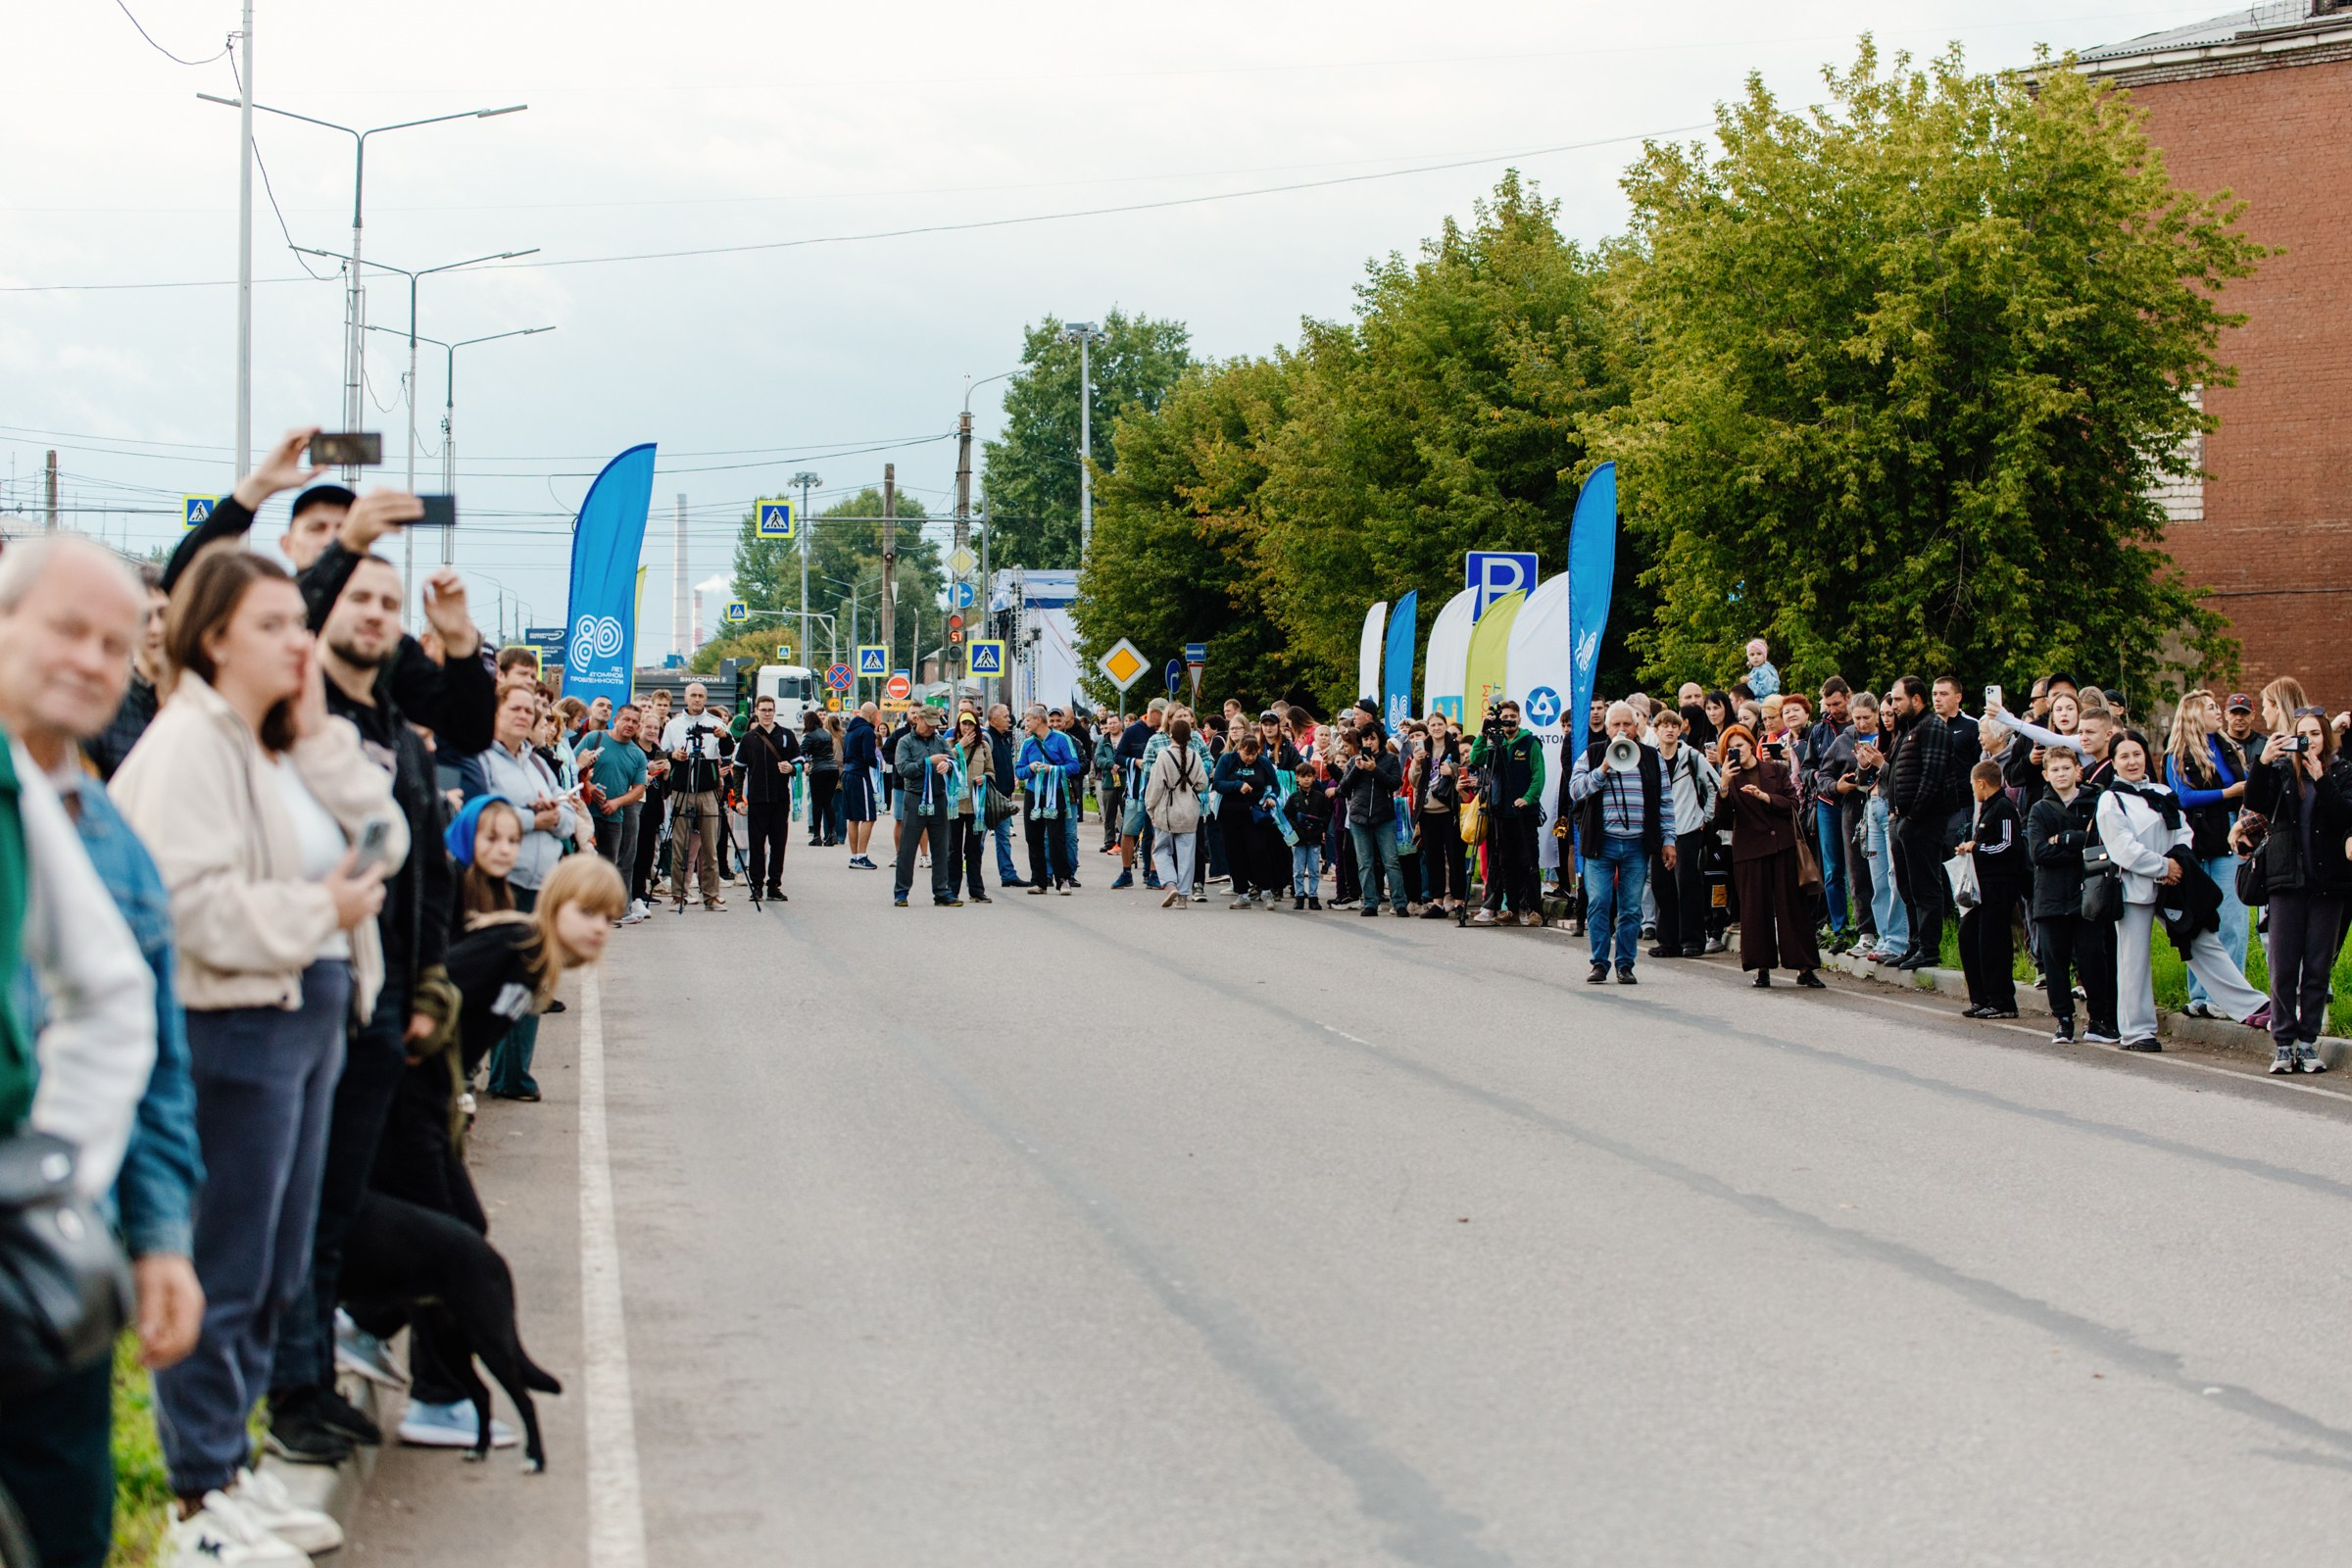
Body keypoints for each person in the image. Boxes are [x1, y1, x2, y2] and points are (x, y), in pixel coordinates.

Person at [111, 550, 402, 1551]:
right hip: (234, 1020)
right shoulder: (189, 744)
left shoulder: (275, 742)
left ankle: (229, 1467)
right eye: (276, 624)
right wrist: (319, 905)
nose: (300, 642)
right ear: (214, 635)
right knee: (227, 1263)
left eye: (300, 624)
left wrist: (317, 728)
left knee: (274, 1262)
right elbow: (185, 910)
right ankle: (199, 1495)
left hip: (305, 1004)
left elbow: (386, 832)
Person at [0, 538, 193, 1568]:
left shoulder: (113, 841)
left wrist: (160, 1240)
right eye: (67, 629)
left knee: (63, 1523)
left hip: (49, 1254)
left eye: (116, 644)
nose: (92, 658)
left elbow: (156, 1063)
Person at [265, 552, 455, 1467]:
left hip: (379, 992)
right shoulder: (284, 724)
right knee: (289, 1211)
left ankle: (312, 1380)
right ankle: (287, 1396)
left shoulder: (389, 727)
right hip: (296, 992)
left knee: (329, 1207)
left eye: (389, 601)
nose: (375, 614)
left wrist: (425, 987)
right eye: (356, 597)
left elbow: (412, 864)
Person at [383, 854, 625, 1446]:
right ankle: (429, 1392)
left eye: (610, 919)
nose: (599, 927)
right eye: (587, 912)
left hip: (430, 1106)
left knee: (459, 1233)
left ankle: (401, 1358)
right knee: (456, 1241)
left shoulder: (539, 966)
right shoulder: (517, 945)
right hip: (405, 1102)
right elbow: (435, 992)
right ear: (554, 902)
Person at [2096, 732, 2268, 1053]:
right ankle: (2137, 1031)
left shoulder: (2161, 791)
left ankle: (2252, 1006)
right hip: (2135, 889)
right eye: (2124, 756)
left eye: (2137, 754)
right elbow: (2123, 849)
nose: (2132, 761)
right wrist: (2162, 866)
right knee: (2134, 959)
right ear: (2114, 762)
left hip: (2173, 885)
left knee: (2203, 941)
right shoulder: (2111, 800)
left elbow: (2183, 831)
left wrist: (2176, 862)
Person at [470, 678, 574, 1099]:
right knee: (493, 983)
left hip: (541, 883)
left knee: (531, 982)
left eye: (529, 711)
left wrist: (551, 816)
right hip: (501, 884)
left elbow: (566, 816)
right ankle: (483, 1068)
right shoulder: (483, 761)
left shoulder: (536, 762)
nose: (523, 715)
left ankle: (514, 1074)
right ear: (494, 714)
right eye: (514, 708)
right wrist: (534, 819)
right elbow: (483, 814)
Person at [2243, 706, 2352, 1072]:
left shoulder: (2342, 770)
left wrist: (2322, 779)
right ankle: (2283, 1044)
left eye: (2317, 734)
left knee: (2318, 966)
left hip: (2328, 882)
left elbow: (2345, 818)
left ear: (2327, 736)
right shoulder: (2279, 770)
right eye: (2303, 735)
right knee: (2284, 965)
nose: (2310, 741)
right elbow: (2254, 802)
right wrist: (2263, 761)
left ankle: (2308, 1044)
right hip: (2286, 879)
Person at [1568, 701, 1675, 982]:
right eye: (1616, 724)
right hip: (1601, 845)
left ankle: (1625, 964)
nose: (1622, 729)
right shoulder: (1593, 754)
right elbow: (1576, 790)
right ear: (1607, 727)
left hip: (1637, 845)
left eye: (1627, 724)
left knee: (1630, 908)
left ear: (1637, 726)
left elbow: (1665, 801)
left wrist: (1668, 839)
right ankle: (1600, 963)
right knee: (1599, 902)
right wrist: (1603, 768)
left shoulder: (1651, 757)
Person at [2164, 690, 2252, 1014]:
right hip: (2194, 842)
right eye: (2212, 708)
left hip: (2229, 837)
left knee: (2232, 919)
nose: (2219, 712)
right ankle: (2200, 996)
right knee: (2199, 921)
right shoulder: (2176, 755)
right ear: (2194, 715)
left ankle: (2228, 998)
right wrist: (2228, 791)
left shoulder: (2230, 748)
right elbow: (2183, 796)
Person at [1716, 723, 1824, 988]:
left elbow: (1793, 804)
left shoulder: (1776, 769)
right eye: (1731, 748)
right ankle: (1761, 967)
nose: (1737, 752)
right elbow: (1722, 820)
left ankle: (1804, 967)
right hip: (1750, 850)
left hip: (1782, 846)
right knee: (1755, 910)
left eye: (1740, 746)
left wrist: (1766, 797)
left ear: (1752, 745)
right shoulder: (1730, 778)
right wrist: (1723, 787)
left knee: (1792, 909)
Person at [2027, 748, 2116, 1045]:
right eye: (2055, 770)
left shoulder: (2096, 802)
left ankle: (2099, 1020)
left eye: (2067, 768)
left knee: (2093, 958)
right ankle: (2063, 1020)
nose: (2061, 774)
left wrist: (2066, 839)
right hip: (2050, 897)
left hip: (2088, 894)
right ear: (2046, 774)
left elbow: (2100, 846)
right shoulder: (2040, 809)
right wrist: (2080, 845)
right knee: (2055, 961)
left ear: (2078, 770)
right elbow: (2039, 852)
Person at [1886, 675, 1954, 969]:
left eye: (1899, 699)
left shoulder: (1932, 726)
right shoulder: (1908, 729)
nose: (1893, 705)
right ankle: (1914, 944)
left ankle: (1929, 948)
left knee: (1926, 885)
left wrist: (1913, 815)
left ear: (1916, 699)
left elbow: (1932, 774)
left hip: (1923, 821)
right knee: (1907, 886)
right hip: (1902, 820)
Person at [1953, 760, 2025, 1019]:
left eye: (1973, 786)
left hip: (1998, 885)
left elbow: (2009, 845)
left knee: (1993, 943)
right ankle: (1981, 997)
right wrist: (1971, 845)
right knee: (1969, 937)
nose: (1973, 790)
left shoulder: (2003, 807)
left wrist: (1978, 848)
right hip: (1981, 888)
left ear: (1981, 783)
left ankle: (2002, 1000)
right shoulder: (1988, 809)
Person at [1647, 707, 1720, 958]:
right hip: (1659, 831)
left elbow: (1714, 787)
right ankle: (1667, 941)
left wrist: (1705, 818)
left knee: (1688, 884)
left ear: (1681, 730)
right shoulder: (1649, 757)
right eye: (1664, 726)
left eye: (1674, 726)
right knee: (1661, 885)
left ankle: (1692, 940)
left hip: (1688, 828)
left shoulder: (1692, 757)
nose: (1669, 729)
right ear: (1655, 730)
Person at [1466, 701, 1543, 926]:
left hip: (1524, 813)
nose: (1508, 720)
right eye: (1504, 717)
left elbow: (1538, 775)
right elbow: (1476, 759)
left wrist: (1528, 798)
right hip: (1500, 811)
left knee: (1528, 860)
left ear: (1519, 719)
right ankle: (1511, 909)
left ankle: (1534, 909)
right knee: (1505, 861)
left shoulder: (1530, 743)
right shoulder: (1495, 743)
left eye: (1512, 716)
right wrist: (1482, 733)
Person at [660, 682, 732, 909]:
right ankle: (679, 894)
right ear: (686, 697)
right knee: (680, 845)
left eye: (701, 695)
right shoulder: (674, 725)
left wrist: (723, 736)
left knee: (710, 846)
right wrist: (674, 756)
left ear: (705, 698)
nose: (697, 699)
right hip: (682, 787)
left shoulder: (715, 723)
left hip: (708, 789)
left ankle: (710, 894)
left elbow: (728, 752)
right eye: (693, 695)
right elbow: (662, 753)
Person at [588, 704, 650, 916]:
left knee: (610, 866)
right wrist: (589, 787)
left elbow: (639, 789)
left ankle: (610, 910)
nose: (630, 725)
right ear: (616, 720)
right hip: (587, 814)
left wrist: (617, 802)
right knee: (586, 864)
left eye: (635, 722)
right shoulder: (594, 738)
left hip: (615, 817)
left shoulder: (637, 754)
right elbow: (573, 767)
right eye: (626, 720)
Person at [891, 709, 956, 907]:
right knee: (907, 848)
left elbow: (953, 760)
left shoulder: (939, 741)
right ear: (917, 719)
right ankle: (901, 892)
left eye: (935, 724)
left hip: (938, 799)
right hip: (915, 798)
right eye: (928, 724)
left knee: (941, 848)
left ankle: (942, 892)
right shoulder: (905, 742)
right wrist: (927, 762)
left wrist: (949, 766)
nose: (932, 728)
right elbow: (903, 769)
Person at [737, 695, 799, 903]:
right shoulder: (749, 739)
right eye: (762, 710)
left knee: (778, 844)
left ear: (774, 711)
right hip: (756, 799)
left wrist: (791, 768)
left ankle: (774, 885)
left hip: (780, 799)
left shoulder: (786, 735)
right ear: (756, 711)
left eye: (770, 710)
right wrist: (738, 798)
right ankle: (756, 885)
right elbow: (738, 770)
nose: (766, 713)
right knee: (756, 845)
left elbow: (801, 763)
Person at [1145, 715, 1210, 906]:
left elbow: (1155, 786)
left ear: (1170, 734)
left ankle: (1170, 884)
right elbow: (1203, 783)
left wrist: (1150, 808)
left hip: (1167, 809)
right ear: (1190, 737)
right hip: (1189, 811)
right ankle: (1183, 896)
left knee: (1161, 850)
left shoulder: (1164, 756)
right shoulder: (1195, 756)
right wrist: (1189, 788)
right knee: (1186, 855)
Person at [1017, 709, 1082, 894]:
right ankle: (1038, 880)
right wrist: (1030, 768)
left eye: (1028, 720)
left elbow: (1074, 765)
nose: (1026, 724)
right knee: (1033, 837)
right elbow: (1019, 770)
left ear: (1038, 720)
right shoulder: (1028, 743)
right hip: (1033, 794)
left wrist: (1051, 769)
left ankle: (1063, 879)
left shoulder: (1062, 739)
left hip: (1056, 792)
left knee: (1056, 836)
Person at [1110, 699, 1166, 890]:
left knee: (1156, 832)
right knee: (1129, 831)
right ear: (1153, 712)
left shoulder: (1164, 732)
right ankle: (1126, 872)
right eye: (1162, 713)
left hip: (1158, 791)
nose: (1164, 717)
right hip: (1136, 790)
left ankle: (1153, 873)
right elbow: (1118, 756)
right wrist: (1135, 762)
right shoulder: (1133, 730)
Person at [946, 712, 995, 904]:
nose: (967, 728)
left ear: (976, 727)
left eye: (971, 724)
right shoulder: (950, 743)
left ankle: (976, 890)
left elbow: (991, 770)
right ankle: (951, 889)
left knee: (974, 849)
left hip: (976, 806)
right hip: (955, 806)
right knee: (953, 850)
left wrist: (986, 778)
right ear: (958, 726)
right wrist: (961, 745)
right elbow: (944, 762)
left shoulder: (983, 747)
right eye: (964, 724)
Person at [842, 702, 881, 869]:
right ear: (871, 714)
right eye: (876, 715)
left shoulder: (849, 731)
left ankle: (854, 856)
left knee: (853, 817)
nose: (877, 718)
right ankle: (862, 856)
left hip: (848, 774)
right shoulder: (867, 731)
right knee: (868, 816)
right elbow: (868, 756)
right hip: (860, 775)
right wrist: (878, 763)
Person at [800, 710, 839, 847]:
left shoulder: (808, 735)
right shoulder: (827, 733)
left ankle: (817, 835)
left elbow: (800, 751)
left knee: (817, 803)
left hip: (818, 770)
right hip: (832, 769)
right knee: (827, 802)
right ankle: (832, 834)